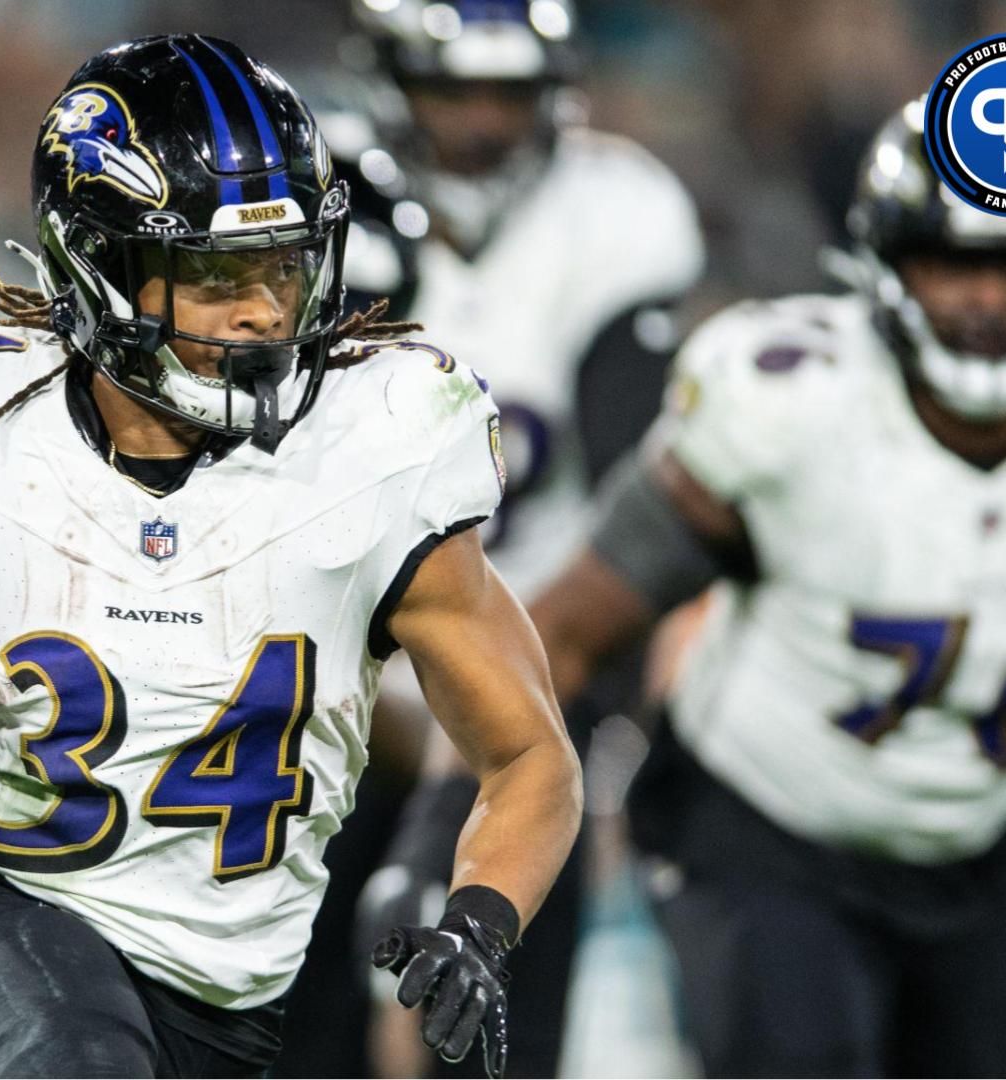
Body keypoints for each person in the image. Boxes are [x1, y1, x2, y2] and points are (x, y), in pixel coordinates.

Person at [0, 34, 580, 1079]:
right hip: (9, 913)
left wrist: (481, 919)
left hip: (228, 1001)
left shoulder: (381, 448)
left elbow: (530, 757)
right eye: (219, 277)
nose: (264, 311)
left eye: (285, 266)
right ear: (98, 264)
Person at [521, 98, 1006, 1076]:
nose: (988, 299)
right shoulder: (789, 398)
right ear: (886, 264)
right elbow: (558, 634)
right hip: (765, 827)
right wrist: (450, 835)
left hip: (979, 845)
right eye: (953, 260)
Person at [334, 1, 703, 1074]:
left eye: (507, 93)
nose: (483, 124)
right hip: (329, 663)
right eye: (455, 92)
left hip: (526, 657)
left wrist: (621, 707)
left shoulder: (615, 212)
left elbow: (634, 500)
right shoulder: (313, 195)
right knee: (284, 1012)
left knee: (489, 1031)